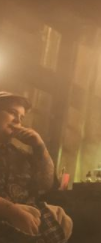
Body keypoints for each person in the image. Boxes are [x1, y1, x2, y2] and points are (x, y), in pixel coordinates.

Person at [0, 92, 72, 243]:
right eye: (12, 112)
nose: (17, 120)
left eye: (21, 117)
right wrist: (12, 211)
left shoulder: (19, 154)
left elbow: (44, 185)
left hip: (27, 223)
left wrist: (39, 147)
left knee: (60, 217)